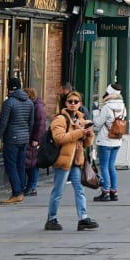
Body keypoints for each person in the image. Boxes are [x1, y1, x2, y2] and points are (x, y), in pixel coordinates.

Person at [43, 89, 97, 232]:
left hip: (76, 161)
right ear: (66, 103)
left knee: (79, 190)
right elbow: (59, 138)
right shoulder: (60, 119)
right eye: (70, 101)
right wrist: (79, 132)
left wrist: (89, 135)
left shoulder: (81, 119)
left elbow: (85, 144)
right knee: (58, 191)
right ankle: (52, 218)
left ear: (80, 104)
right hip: (63, 161)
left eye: (76, 102)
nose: (73, 104)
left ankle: (83, 218)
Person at [0, 76, 37, 204]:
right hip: (24, 139)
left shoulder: (9, 102)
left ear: (9, 88)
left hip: (12, 138)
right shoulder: (29, 102)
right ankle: (20, 191)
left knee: (11, 165)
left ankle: (16, 193)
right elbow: (31, 122)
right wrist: (26, 135)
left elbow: (3, 123)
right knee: (20, 165)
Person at [92, 85, 127, 203]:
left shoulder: (107, 107)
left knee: (104, 167)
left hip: (105, 140)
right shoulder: (123, 106)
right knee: (111, 166)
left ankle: (105, 191)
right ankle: (114, 191)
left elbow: (97, 123)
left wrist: (96, 111)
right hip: (117, 140)